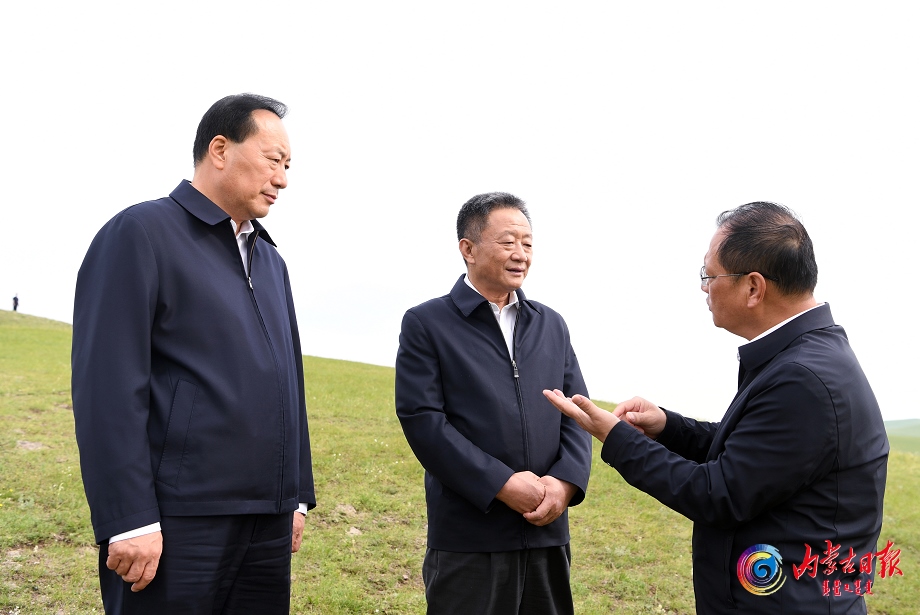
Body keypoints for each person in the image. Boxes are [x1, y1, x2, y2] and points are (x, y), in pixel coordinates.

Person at [544, 201, 888, 614]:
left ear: (753, 287)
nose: (705, 288)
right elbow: (752, 454)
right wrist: (667, 427)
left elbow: (718, 494)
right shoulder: (804, 355)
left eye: (710, 275)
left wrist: (616, 437)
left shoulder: (803, 378)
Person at [72, 94, 315, 615]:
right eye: (273, 160)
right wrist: (129, 518)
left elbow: (289, 381)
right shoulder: (140, 233)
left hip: (267, 519)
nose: (282, 179)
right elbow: (106, 388)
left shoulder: (271, 261)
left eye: (288, 166)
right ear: (220, 149)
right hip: (177, 520)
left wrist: (295, 495)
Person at [395, 192, 593, 615]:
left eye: (527, 243)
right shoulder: (427, 323)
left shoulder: (551, 324)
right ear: (468, 249)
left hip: (546, 532)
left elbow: (578, 412)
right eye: (508, 242)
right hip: (469, 537)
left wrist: (564, 484)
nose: (521, 253)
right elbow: (424, 422)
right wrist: (502, 484)